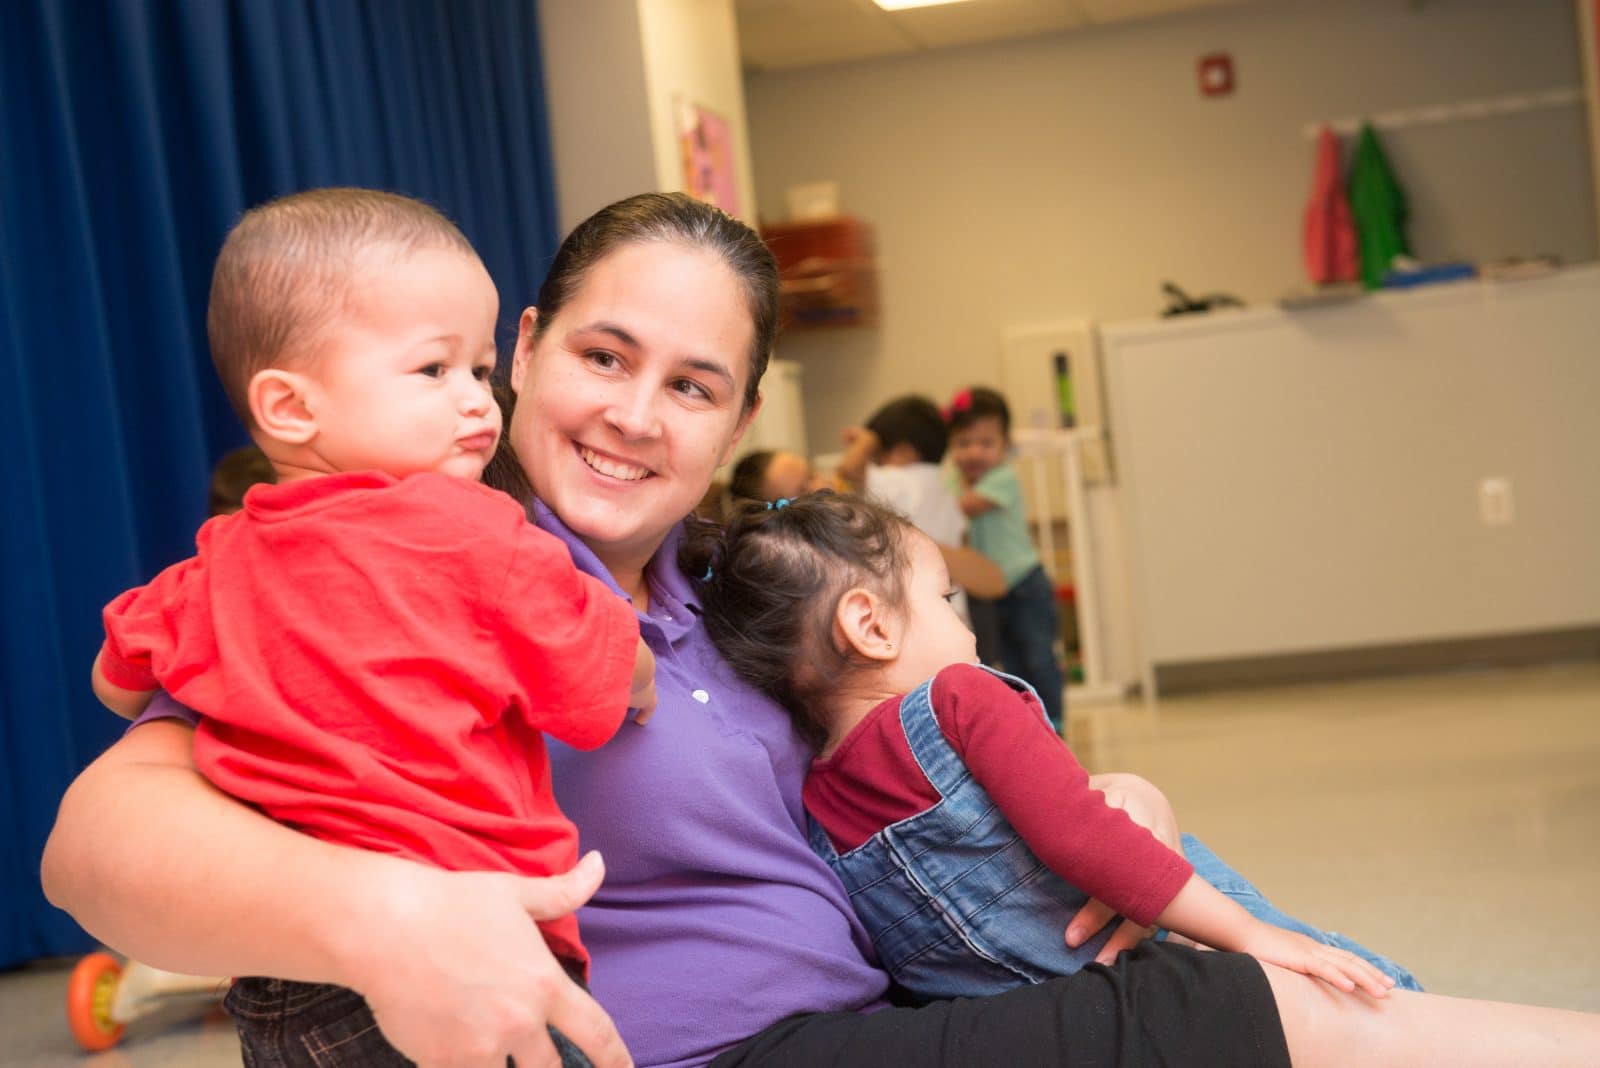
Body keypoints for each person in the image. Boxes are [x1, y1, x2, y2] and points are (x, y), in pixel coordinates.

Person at [42, 191, 1600, 1068]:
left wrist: (1104, 811)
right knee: (1241, 1018)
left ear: (738, 420)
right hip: (705, 1057)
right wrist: (373, 924)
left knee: (1265, 991)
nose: (633, 417)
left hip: (898, 1005)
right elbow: (101, 844)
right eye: (602, 353)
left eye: (693, 385)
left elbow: (921, 746)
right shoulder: (408, 572)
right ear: (518, 352)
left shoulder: (742, 600)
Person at [89, 188, 654, 1065]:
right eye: (434, 371)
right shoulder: (482, 535)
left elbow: (118, 682)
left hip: (280, 974)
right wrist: (639, 671)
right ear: (289, 407)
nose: (478, 403)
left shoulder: (211, 565)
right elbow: (596, 697)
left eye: (478, 367)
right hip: (468, 944)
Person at [688, 491, 1419, 1004]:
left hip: (1052, 1018)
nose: (963, 625)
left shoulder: (815, 799)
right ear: (872, 628)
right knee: (1353, 984)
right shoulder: (960, 698)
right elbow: (1080, 832)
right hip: (1165, 945)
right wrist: (1251, 935)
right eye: (945, 601)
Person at [946, 386, 1067, 730]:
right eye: (963, 444)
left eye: (986, 444)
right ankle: (1028, 722)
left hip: (1025, 583)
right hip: (992, 590)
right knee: (1008, 661)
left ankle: (1054, 722)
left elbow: (962, 509)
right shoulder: (956, 481)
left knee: (1039, 656)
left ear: (1005, 446)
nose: (974, 453)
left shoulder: (1002, 478)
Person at [836, 395, 1007, 601]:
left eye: (878, 457)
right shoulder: (946, 491)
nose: (876, 465)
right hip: (951, 605)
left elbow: (848, 471)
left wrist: (866, 441)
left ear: (902, 452)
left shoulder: (899, 480)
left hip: (913, 602)